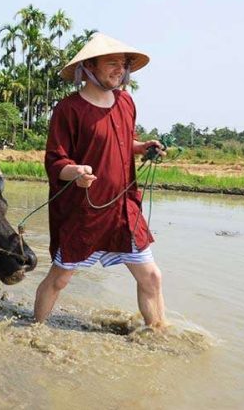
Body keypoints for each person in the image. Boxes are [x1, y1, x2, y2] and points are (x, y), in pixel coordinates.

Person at [33, 33, 166, 328]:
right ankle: (35, 330)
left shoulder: (126, 102)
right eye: (112, 63)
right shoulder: (69, 110)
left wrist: (142, 147)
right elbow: (56, 161)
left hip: (123, 209)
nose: (120, 69)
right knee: (60, 278)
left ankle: (159, 333)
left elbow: (119, 142)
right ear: (89, 67)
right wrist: (77, 172)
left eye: (124, 64)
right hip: (84, 211)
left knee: (152, 276)